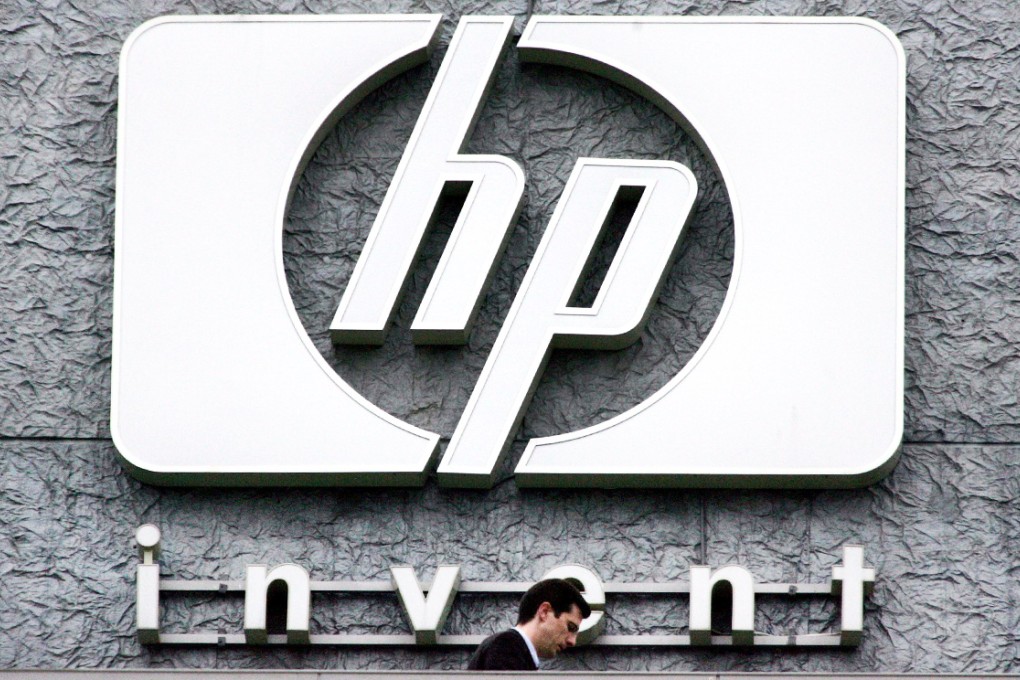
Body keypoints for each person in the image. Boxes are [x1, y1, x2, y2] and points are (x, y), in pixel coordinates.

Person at [467, 578, 591, 671]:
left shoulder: (514, 650)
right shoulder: (505, 647)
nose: (572, 641)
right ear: (544, 612)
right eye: (571, 627)